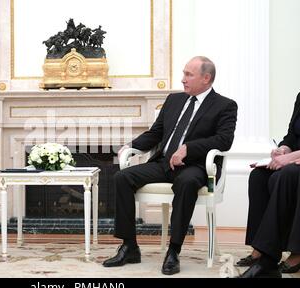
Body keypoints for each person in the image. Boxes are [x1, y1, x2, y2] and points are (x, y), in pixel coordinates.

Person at [102, 56, 238, 275]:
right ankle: (129, 246)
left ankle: (173, 250)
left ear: (206, 78)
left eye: (188, 74)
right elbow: (156, 133)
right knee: (122, 177)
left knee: (186, 182)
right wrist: (131, 145)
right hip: (163, 163)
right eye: (183, 73)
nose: (183, 79)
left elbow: (224, 140)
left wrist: (189, 148)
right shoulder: (174, 100)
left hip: (195, 167)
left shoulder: (225, 105)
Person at [239, 91, 300, 278]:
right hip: (294, 160)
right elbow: (292, 135)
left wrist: (292, 158)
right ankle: (259, 248)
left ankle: (296, 251)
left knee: (286, 175)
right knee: (259, 175)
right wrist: (283, 149)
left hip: (298, 164)